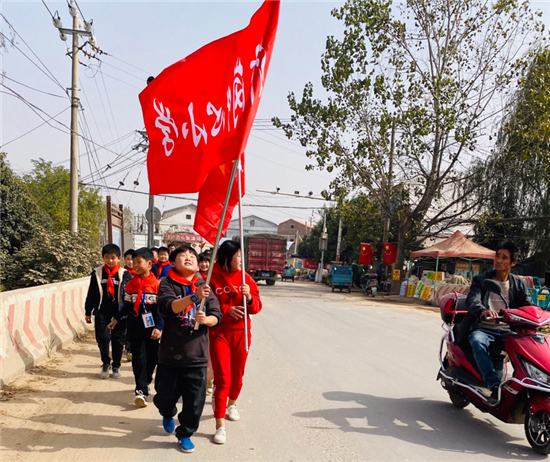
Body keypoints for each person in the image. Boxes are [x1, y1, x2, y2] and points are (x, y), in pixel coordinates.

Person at [155, 245, 222, 454]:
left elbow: (216, 316)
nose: (188, 258)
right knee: (165, 396)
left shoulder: (204, 286)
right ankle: (167, 412)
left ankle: (185, 433)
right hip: (170, 354)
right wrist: (194, 297)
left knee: (194, 404)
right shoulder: (167, 284)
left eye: (192, 255)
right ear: (172, 263)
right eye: (182, 255)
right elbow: (168, 308)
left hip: (197, 355)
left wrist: (207, 320)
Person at [464, 241, 533, 404]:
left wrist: (539, 314)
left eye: (504, 257)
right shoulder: (481, 280)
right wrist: (483, 311)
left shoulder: (518, 284)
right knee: (477, 342)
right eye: (497, 256)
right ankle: (494, 386)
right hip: (484, 328)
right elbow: (473, 300)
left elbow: (528, 304)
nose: (498, 260)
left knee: (528, 349)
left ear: (513, 263)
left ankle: (527, 385)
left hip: (508, 330)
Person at [209, 241, 262, 445]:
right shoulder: (211, 279)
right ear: (226, 258)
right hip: (219, 333)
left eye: (242, 256)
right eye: (238, 256)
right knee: (223, 377)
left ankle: (232, 404)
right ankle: (220, 425)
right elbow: (206, 306)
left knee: (237, 375)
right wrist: (225, 311)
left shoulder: (246, 279)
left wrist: (248, 297)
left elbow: (257, 307)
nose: (242, 260)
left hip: (242, 333)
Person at [107, 248, 163, 407]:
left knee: (152, 359)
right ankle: (141, 391)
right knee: (138, 360)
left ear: (150, 264)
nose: (135, 265)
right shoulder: (131, 284)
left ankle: (146, 381)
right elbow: (127, 307)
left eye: (139, 262)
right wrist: (116, 319)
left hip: (152, 330)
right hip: (135, 327)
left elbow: (161, 311)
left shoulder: (158, 285)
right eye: (133, 261)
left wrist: (159, 327)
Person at [85, 244, 129, 379]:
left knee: (118, 339)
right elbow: (91, 293)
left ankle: (116, 366)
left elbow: (128, 294)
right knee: (103, 338)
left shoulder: (124, 274)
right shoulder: (97, 273)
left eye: (113, 258)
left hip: (119, 312)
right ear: (103, 257)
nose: (110, 260)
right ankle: (105, 363)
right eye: (107, 257)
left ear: (119, 258)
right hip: (102, 311)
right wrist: (88, 311)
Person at [198, 251, 214, 394]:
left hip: (211, 319)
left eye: (207, 261)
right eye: (201, 261)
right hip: (196, 317)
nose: (204, 264)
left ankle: (210, 380)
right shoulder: (195, 278)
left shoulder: (214, 278)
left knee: (210, 351)